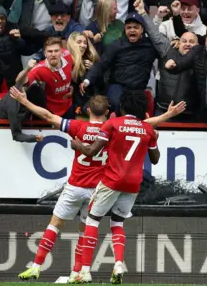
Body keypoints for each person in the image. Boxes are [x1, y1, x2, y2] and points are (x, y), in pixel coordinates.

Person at [13, 90, 184, 283]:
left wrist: (24, 101)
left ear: (87, 109)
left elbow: (47, 116)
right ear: (108, 110)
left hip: (75, 186)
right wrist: (168, 115)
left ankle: (36, 267)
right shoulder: (113, 126)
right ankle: (77, 272)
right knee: (85, 231)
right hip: (96, 189)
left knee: (55, 224)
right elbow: (144, 125)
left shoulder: (78, 126)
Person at [70, 90, 160, 284]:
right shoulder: (148, 129)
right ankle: (118, 263)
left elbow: (92, 152)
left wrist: (77, 145)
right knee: (117, 223)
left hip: (112, 179)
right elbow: (155, 159)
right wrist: (155, 139)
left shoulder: (113, 124)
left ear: (123, 107)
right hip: (133, 184)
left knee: (92, 220)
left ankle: (84, 271)